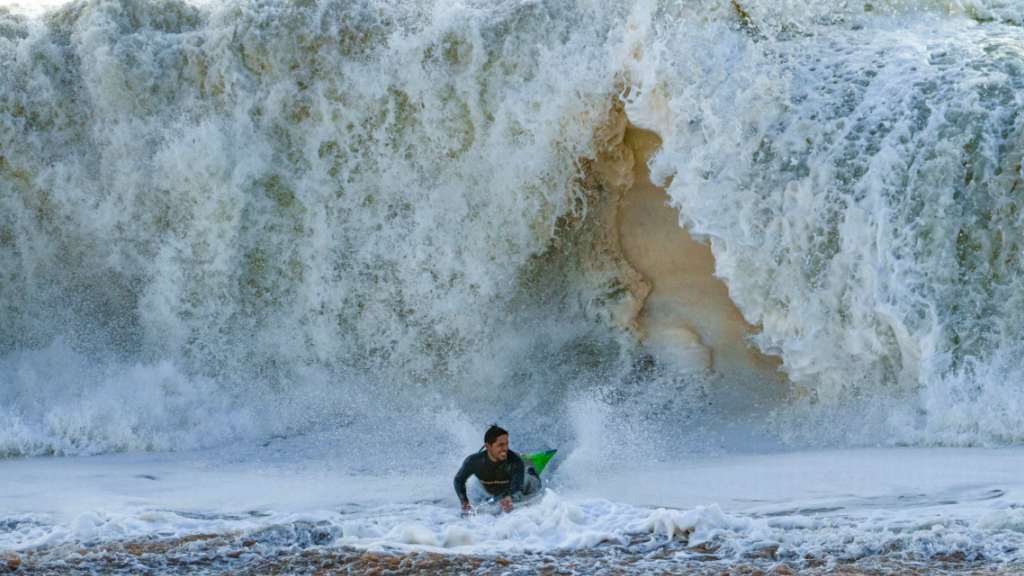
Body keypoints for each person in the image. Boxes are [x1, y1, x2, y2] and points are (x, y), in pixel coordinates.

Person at [454, 425, 541, 513]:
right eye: (500, 445)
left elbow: (518, 490)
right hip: (500, 490)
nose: (506, 448)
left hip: (525, 484)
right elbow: (458, 480)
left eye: (506, 444)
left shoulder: (515, 461)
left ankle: (528, 462)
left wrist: (510, 498)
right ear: (488, 446)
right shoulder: (473, 461)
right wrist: (464, 500)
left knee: (533, 484)